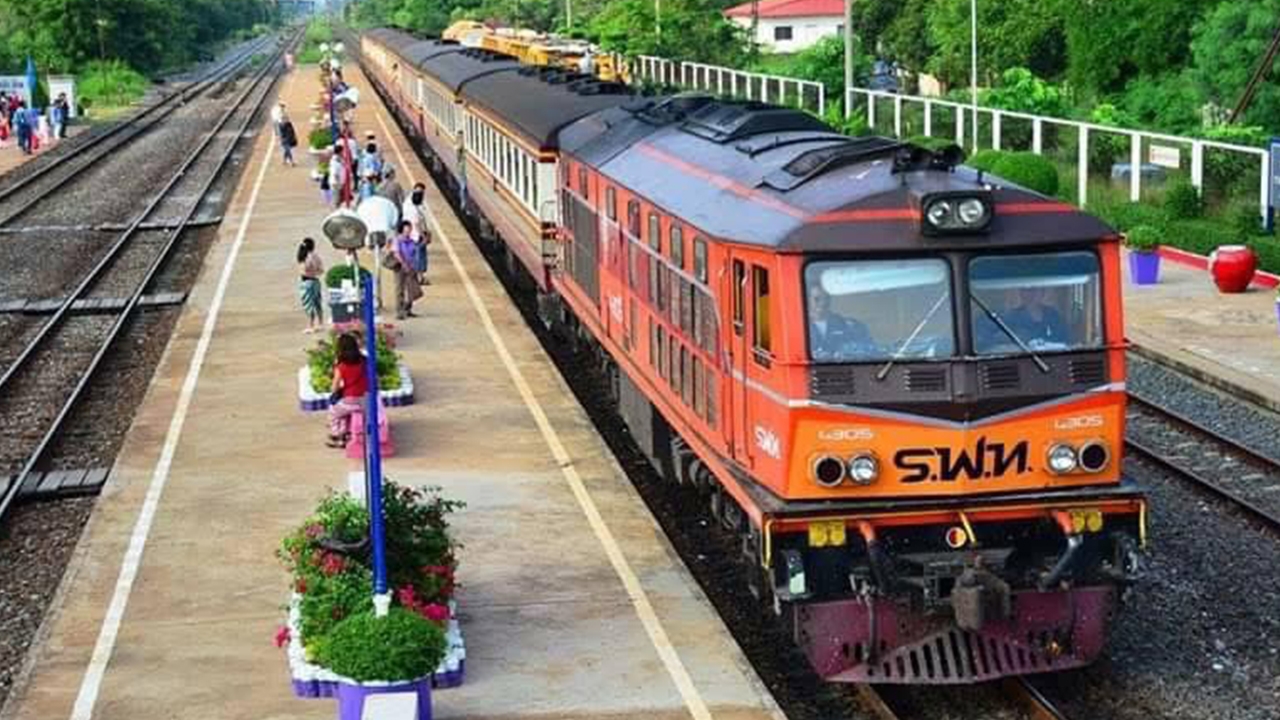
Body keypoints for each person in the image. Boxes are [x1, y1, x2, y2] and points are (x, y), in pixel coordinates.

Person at [808, 285, 874, 360]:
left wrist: (848, 355)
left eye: (826, 298)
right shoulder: (799, 327)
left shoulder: (851, 326)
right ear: (808, 300)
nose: (823, 303)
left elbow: (868, 351)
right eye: (817, 299)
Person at [326, 333, 368, 448]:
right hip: (365, 401)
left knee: (333, 413)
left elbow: (334, 387)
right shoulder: (364, 361)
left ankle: (337, 435)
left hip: (350, 400)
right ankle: (345, 435)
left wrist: (335, 391)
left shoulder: (341, 366)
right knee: (343, 412)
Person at [1002, 287, 1069, 345]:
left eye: (1033, 290)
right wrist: (1018, 337)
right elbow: (1000, 339)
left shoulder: (1053, 315)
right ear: (1021, 294)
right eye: (1025, 290)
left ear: (1042, 293)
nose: (1029, 294)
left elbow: (1064, 339)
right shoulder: (1011, 316)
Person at [401, 182, 433, 285]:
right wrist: (424, 236)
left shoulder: (409, 203)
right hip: (417, 236)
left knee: (414, 256)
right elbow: (417, 224)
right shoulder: (413, 209)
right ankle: (419, 278)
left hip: (410, 233)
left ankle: (416, 276)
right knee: (419, 257)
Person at [391, 220, 422, 319]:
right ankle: (399, 311)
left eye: (409, 229)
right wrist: (404, 264)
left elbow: (415, 251)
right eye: (407, 229)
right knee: (399, 289)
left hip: (411, 266)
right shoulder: (397, 240)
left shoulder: (411, 241)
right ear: (402, 230)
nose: (409, 231)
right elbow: (396, 253)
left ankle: (408, 309)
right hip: (400, 267)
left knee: (411, 289)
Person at [297, 238, 325, 333]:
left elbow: (304, 270)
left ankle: (311, 325)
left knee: (308, 304)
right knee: (317, 303)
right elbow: (321, 270)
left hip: (306, 282)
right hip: (315, 281)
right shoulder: (315, 256)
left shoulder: (304, 256)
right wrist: (314, 272)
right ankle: (320, 323)